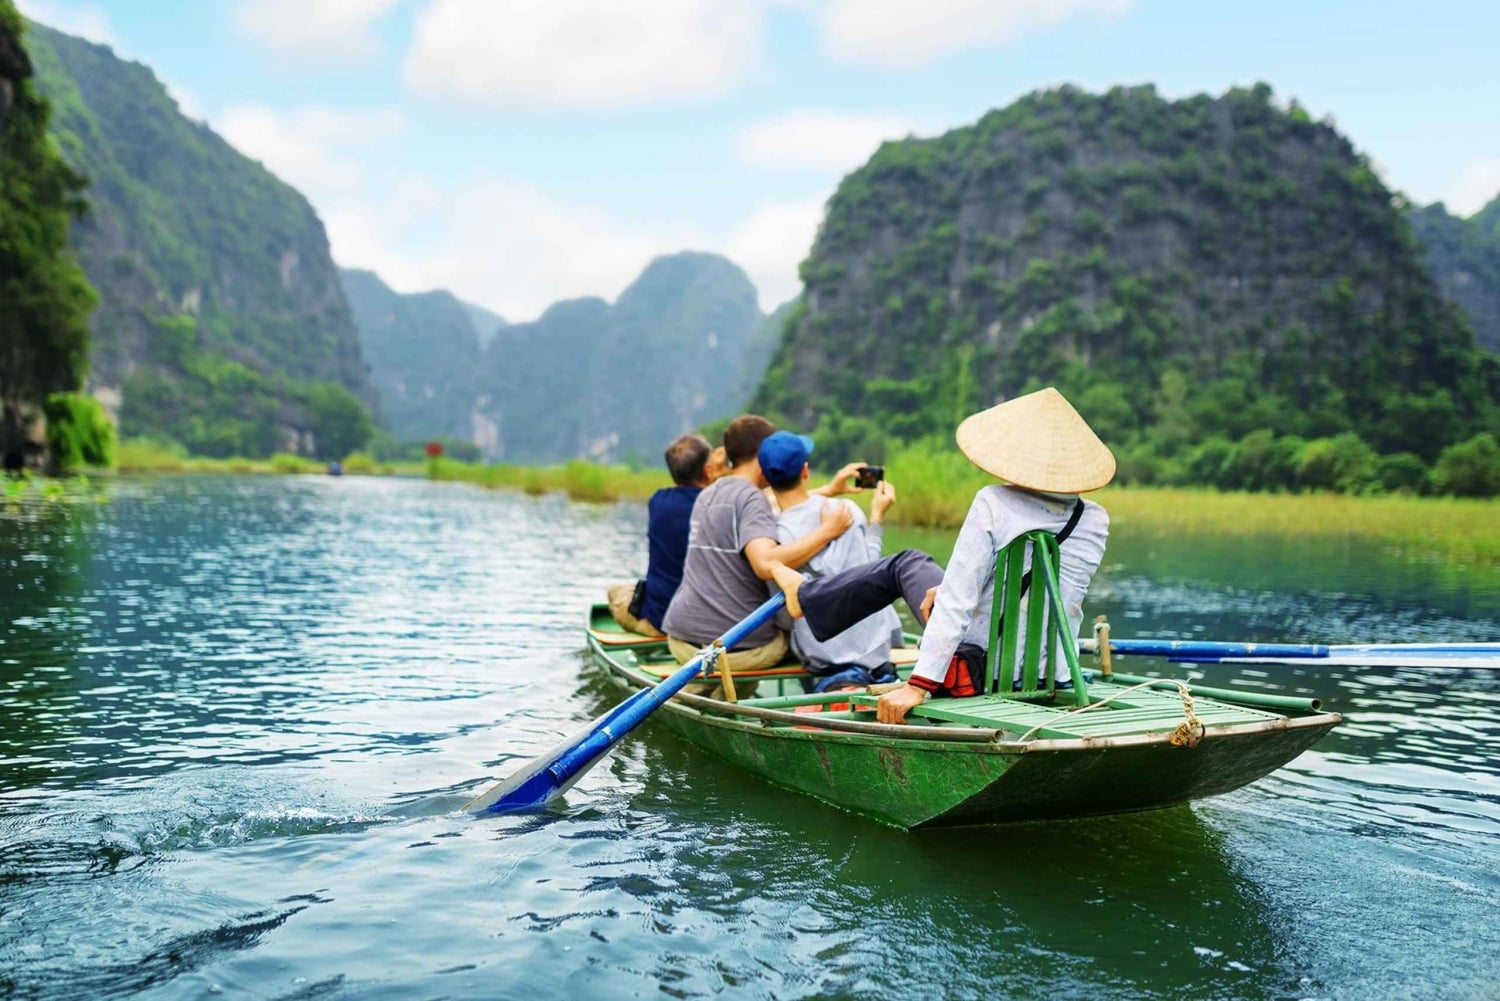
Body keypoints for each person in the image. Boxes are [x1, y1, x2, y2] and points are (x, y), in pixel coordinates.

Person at [769, 387, 1113, 724]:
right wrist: (949, 589)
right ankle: (807, 597)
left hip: (978, 668)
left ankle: (804, 597)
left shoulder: (994, 502)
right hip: (1051, 672)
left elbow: (958, 602)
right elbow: (1042, 590)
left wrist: (919, 685)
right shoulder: (1095, 519)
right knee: (929, 579)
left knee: (906, 563)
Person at [660, 414, 864, 698]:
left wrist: (829, 489)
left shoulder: (710, 492)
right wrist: (827, 532)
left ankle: (707, 694)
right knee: (802, 636)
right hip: (732, 649)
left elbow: (761, 505)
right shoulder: (752, 499)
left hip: (681, 637)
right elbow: (765, 563)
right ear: (762, 456)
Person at [759, 430, 903, 693]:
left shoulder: (767, 535)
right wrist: (877, 518)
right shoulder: (846, 511)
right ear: (806, 471)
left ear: (765, 477)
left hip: (820, 654)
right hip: (874, 649)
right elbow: (873, 573)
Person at [607, 433, 716, 636]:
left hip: (660, 618)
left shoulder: (658, 501)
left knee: (615, 591)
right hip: (706, 618)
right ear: (707, 470)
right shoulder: (718, 506)